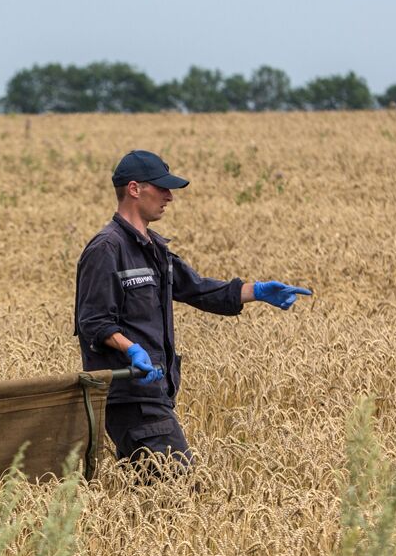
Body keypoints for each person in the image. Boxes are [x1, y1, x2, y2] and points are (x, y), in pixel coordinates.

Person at [74, 149, 312, 477]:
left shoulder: (154, 249)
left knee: (152, 493)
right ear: (134, 189)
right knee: (181, 487)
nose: (169, 196)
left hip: (155, 394)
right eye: (161, 188)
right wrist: (133, 350)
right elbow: (93, 321)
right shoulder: (106, 249)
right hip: (130, 395)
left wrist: (256, 291)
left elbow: (198, 289)